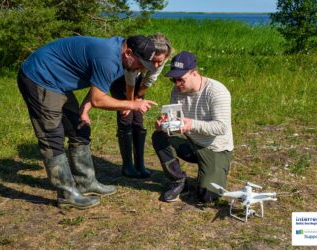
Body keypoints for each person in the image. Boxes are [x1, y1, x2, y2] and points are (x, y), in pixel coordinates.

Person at [17, 35, 157, 209]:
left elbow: (96, 87)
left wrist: (85, 108)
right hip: (39, 77)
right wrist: (133, 104)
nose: (142, 69)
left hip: (58, 82)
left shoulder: (120, 55)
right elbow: (99, 100)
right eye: (141, 63)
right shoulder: (108, 58)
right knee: (52, 136)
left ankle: (86, 182)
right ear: (128, 52)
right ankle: (67, 194)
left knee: (80, 128)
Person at [152, 51, 234, 203]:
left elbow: (221, 127)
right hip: (190, 142)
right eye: (173, 80)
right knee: (159, 136)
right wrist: (163, 125)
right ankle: (178, 181)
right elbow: (176, 122)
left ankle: (217, 169)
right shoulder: (177, 91)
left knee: (207, 196)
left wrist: (191, 124)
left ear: (194, 73)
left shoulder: (216, 91)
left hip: (215, 148)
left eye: (181, 79)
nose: (177, 84)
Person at [110, 33, 172, 178]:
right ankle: (127, 166)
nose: (156, 65)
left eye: (160, 62)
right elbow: (129, 79)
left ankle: (140, 164)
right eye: (154, 61)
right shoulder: (140, 55)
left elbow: (150, 79)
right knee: (126, 118)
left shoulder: (161, 58)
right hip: (122, 80)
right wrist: (129, 104)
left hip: (138, 83)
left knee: (138, 119)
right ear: (148, 56)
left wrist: (138, 98)